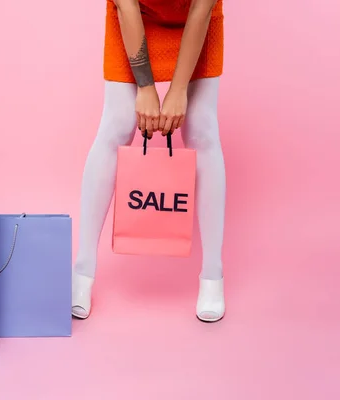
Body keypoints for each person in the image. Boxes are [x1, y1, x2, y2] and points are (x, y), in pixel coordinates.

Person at [71, 0, 226, 322]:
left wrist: (177, 91)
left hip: (197, 20)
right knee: (116, 125)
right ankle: (82, 271)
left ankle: (213, 275)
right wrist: (146, 87)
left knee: (202, 131)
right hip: (133, 17)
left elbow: (201, 10)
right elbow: (126, 7)